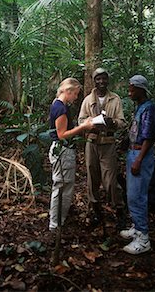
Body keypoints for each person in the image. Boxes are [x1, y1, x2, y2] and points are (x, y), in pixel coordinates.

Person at [78, 68, 126, 227]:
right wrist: (89, 124)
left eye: (104, 79)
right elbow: (80, 121)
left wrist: (113, 123)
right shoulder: (87, 100)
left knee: (110, 180)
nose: (101, 82)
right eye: (98, 79)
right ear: (94, 81)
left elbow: (121, 122)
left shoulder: (115, 99)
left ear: (108, 80)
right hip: (92, 143)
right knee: (92, 178)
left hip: (108, 144)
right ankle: (96, 211)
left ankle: (119, 210)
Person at [49, 78, 95, 232]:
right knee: (63, 187)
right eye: (75, 94)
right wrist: (83, 127)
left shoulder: (57, 104)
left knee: (62, 186)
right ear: (67, 91)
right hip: (63, 151)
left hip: (61, 150)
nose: (76, 97)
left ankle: (58, 220)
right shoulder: (60, 108)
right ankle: (56, 224)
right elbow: (62, 134)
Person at [120, 74, 155, 255]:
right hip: (133, 152)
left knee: (137, 196)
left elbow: (149, 137)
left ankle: (143, 238)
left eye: (132, 88)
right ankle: (137, 226)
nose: (129, 92)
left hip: (140, 155)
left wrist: (138, 159)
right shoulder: (140, 107)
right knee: (132, 193)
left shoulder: (149, 109)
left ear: (140, 89)